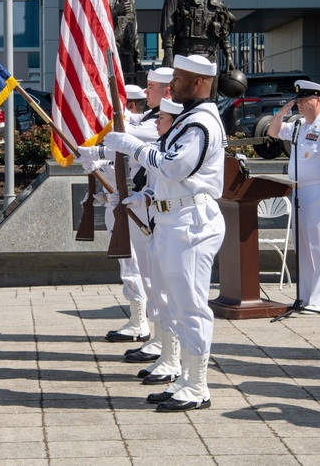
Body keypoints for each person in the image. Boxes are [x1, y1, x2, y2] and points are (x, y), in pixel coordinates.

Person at [104, 54, 226, 412]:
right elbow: (169, 177)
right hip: (173, 220)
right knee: (175, 305)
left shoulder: (200, 123)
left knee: (190, 308)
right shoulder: (188, 120)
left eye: (181, 78)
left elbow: (174, 167)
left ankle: (197, 385)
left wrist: (135, 148)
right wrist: (143, 197)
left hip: (191, 224)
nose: (173, 84)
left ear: (200, 83)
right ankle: (184, 378)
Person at [83, 68, 172, 346]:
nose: (146, 92)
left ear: (167, 91)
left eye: (151, 87)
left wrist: (97, 153)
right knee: (130, 265)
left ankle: (153, 330)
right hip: (128, 200)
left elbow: (122, 141)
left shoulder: (161, 121)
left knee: (142, 269)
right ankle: (140, 321)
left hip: (142, 204)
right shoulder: (148, 117)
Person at [267, 80, 320, 312]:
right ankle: (304, 296)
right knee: (302, 246)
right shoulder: (300, 125)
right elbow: (274, 132)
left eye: (304, 101)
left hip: (319, 190)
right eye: (298, 101)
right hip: (299, 191)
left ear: (319, 101)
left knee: (319, 247)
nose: (300, 105)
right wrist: (282, 112)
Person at [129, 98, 184, 385]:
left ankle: (175, 361)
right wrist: (142, 197)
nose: (156, 122)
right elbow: (156, 185)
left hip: (175, 225)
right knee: (161, 294)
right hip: (157, 223)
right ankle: (166, 354)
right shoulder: (163, 147)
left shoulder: (173, 151)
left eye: (161, 118)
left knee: (173, 299)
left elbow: (173, 179)